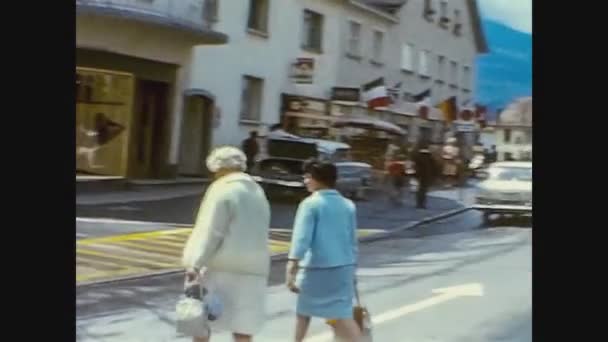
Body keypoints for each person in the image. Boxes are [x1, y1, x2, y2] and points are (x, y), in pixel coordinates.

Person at [182, 146, 271, 342]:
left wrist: (195, 263)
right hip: (254, 268)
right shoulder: (257, 190)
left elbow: (211, 230)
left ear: (219, 168)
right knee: (243, 326)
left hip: (221, 267)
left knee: (200, 321)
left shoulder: (222, 189)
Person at [286, 160, 361, 342]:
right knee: (342, 313)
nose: (305, 180)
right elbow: (352, 239)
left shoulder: (310, 204)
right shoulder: (348, 205)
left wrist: (292, 265)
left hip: (316, 268)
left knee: (303, 312)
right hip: (343, 266)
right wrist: (353, 267)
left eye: (308, 177)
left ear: (318, 179)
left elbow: (302, 238)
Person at [413, 143, 436, 209]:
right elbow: (434, 167)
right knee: (423, 190)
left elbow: (415, 166)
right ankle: (422, 204)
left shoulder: (417, 157)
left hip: (419, 176)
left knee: (420, 190)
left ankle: (418, 203)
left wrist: (415, 174)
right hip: (426, 176)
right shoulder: (430, 158)